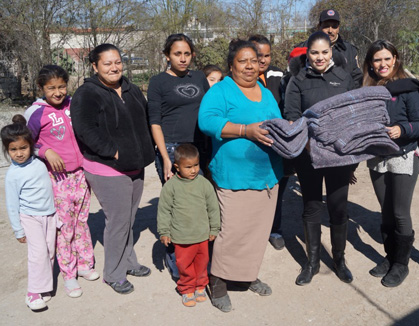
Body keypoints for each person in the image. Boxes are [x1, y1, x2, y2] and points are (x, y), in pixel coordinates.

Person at [198, 39, 283, 312]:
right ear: (231, 66)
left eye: (254, 60)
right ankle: (218, 281)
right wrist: (246, 130)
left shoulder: (264, 91)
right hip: (235, 174)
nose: (249, 65)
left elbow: (276, 122)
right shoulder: (221, 91)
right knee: (233, 231)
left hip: (267, 172)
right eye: (242, 61)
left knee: (257, 230)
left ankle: (246, 275)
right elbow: (207, 121)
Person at [71, 43, 155, 295]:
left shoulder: (129, 88)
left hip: (135, 165)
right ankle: (113, 274)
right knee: (118, 221)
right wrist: (113, 151)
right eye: (107, 63)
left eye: (117, 61)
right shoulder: (87, 93)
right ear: (95, 66)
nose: (114, 67)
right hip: (106, 167)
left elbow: (145, 117)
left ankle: (128, 262)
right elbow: (85, 129)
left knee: (129, 218)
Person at [284, 31, 356, 286]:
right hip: (309, 155)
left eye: (324, 52)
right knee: (312, 206)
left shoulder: (343, 78)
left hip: (338, 156)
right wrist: (306, 144)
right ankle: (312, 262)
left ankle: (339, 260)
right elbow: (292, 115)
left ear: (331, 53)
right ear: (308, 54)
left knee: (339, 208)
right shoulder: (298, 79)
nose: (319, 57)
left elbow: (353, 116)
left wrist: (351, 158)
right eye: (314, 52)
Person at [24, 65, 98, 299]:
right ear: (41, 88)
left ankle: (85, 264)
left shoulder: (73, 104)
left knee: (82, 222)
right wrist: (45, 151)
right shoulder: (35, 113)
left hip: (81, 174)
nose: (57, 92)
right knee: (64, 228)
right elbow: (25, 144)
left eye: (61, 86)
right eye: (51, 88)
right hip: (58, 179)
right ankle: (68, 274)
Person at [362, 40, 419, 287]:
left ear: (396, 59)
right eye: (377, 60)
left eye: (387, 58)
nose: (382, 64)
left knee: (400, 213)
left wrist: (402, 129)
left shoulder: (408, 89)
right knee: (386, 212)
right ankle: (390, 258)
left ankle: (401, 264)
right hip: (377, 158)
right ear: (371, 63)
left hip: (404, 156)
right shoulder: (367, 91)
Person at [2, 115, 56, 311]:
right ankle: (33, 293)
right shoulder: (13, 175)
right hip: (29, 218)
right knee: (38, 254)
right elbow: (12, 205)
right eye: (13, 150)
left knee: (50, 252)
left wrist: (56, 215)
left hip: (50, 215)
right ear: (7, 151)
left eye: (23, 148)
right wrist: (18, 230)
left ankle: (44, 286)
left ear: (30, 146)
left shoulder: (40, 164)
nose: (19, 153)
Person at [157, 144, 220, 307]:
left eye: (196, 165)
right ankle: (186, 289)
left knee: (202, 262)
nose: (193, 170)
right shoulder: (171, 187)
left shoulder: (204, 184)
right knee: (184, 265)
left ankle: (200, 285)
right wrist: (164, 232)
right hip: (181, 237)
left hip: (202, 236)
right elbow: (164, 211)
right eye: (188, 167)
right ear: (177, 167)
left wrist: (214, 228)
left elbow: (213, 207)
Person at [147, 33, 210, 185]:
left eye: (187, 54)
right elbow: (155, 123)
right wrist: (166, 158)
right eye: (177, 54)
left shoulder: (199, 77)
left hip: (200, 146)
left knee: (200, 199)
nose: (183, 59)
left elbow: (209, 109)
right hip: (173, 149)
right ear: (167, 56)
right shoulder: (158, 82)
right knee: (180, 201)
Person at [248, 34, 288, 250]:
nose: (262, 60)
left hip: (276, 143)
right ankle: (255, 231)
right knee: (253, 192)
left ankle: (275, 229)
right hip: (250, 142)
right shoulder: (241, 76)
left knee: (277, 188)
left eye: (267, 56)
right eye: (258, 55)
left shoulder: (279, 76)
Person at [296, 9, 363, 87]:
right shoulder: (302, 48)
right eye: (326, 26)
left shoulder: (350, 50)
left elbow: (357, 78)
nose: (330, 30)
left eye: (334, 26)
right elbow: (294, 79)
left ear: (338, 28)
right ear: (319, 26)